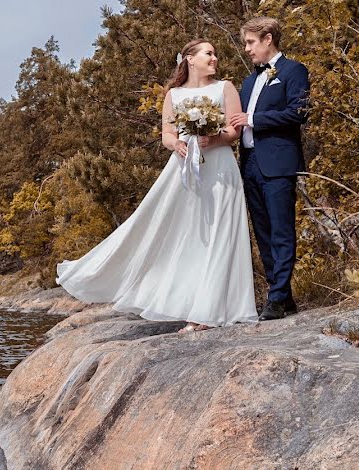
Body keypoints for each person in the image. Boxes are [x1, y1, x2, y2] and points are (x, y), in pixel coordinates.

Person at [56, 39, 258, 332]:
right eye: (208, 53)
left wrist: (212, 138)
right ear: (190, 59)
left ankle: (209, 312)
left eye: (215, 54)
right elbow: (167, 132)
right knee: (181, 232)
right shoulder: (173, 94)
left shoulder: (224, 87)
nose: (215, 58)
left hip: (220, 169)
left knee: (221, 231)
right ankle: (183, 299)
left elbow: (233, 131)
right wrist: (176, 143)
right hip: (185, 168)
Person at [228, 17, 310, 321]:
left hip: (278, 164)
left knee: (281, 230)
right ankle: (284, 296)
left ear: (268, 38)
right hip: (248, 164)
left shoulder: (294, 70)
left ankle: (275, 299)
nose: (247, 49)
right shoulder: (250, 81)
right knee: (262, 233)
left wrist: (255, 121)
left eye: (250, 42)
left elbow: (298, 112)